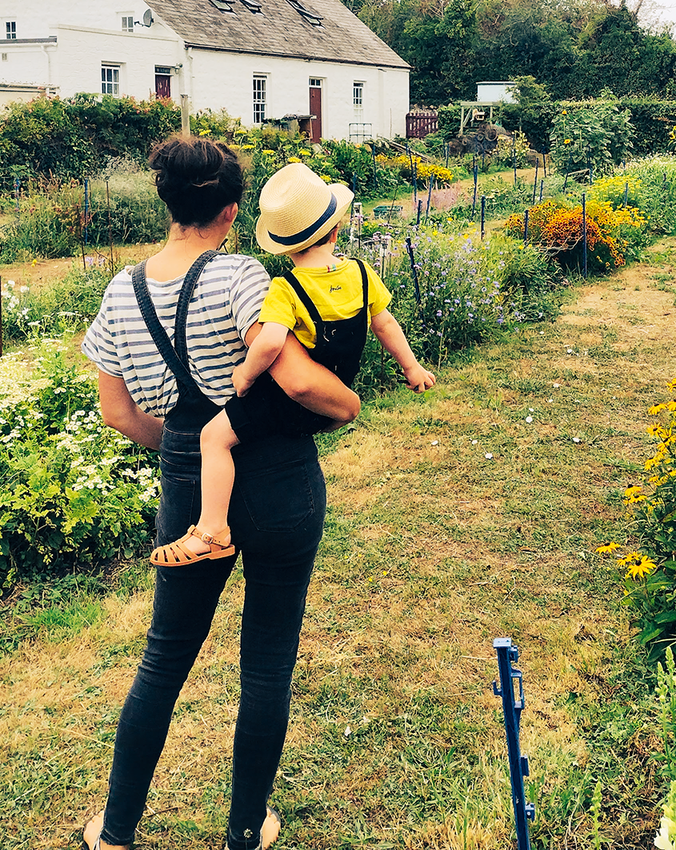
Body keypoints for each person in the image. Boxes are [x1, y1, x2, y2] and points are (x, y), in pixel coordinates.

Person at [79, 135, 361, 850]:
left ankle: (114, 833)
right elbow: (297, 381)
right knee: (267, 659)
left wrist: (181, 449)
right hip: (278, 476)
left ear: (168, 202)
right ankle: (243, 830)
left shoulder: (122, 289)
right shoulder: (240, 279)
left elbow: (117, 412)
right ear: (232, 212)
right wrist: (349, 404)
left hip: (186, 479)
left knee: (164, 657)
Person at [150, 161, 435, 567]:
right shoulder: (363, 274)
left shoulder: (285, 288)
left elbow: (268, 344)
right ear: (335, 231)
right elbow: (385, 324)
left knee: (214, 439)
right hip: (326, 402)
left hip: (284, 402)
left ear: (284, 247)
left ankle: (212, 530)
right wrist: (411, 368)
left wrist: (244, 376)